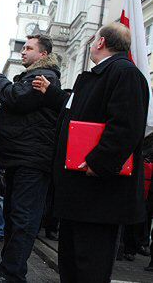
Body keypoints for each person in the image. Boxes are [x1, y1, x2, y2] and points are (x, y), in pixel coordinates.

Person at [33, 22, 149, 282]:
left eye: (94, 38)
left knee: (90, 267)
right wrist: (53, 94)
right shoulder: (97, 75)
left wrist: (98, 162)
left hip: (99, 194)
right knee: (73, 264)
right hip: (80, 193)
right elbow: (78, 111)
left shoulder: (124, 73)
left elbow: (126, 127)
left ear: (100, 42)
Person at [0, 34, 61, 282]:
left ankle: (13, 273)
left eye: (29, 48)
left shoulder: (44, 78)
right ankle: (8, 266)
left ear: (43, 54)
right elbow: (22, 112)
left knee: (23, 217)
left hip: (32, 160)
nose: (23, 52)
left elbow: (17, 98)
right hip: (19, 157)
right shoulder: (31, 77)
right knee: (14, 215)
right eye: (23, 47)